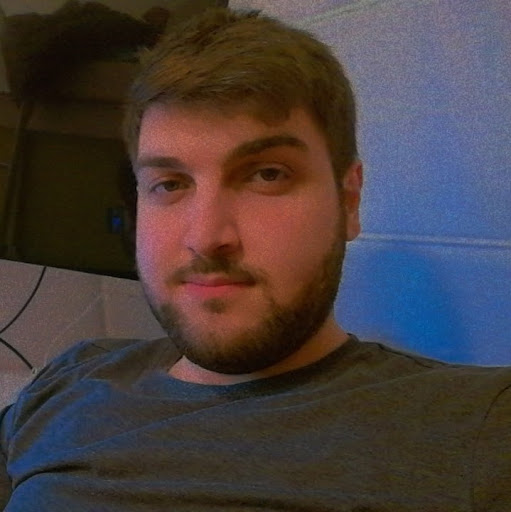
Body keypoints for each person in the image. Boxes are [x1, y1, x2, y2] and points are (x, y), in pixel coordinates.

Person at [1, 7, 510, 511]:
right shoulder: (72, 378)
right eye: (170, 184)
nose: (207, 237)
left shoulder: (479, 428)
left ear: (349, 201)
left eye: (267, 175)